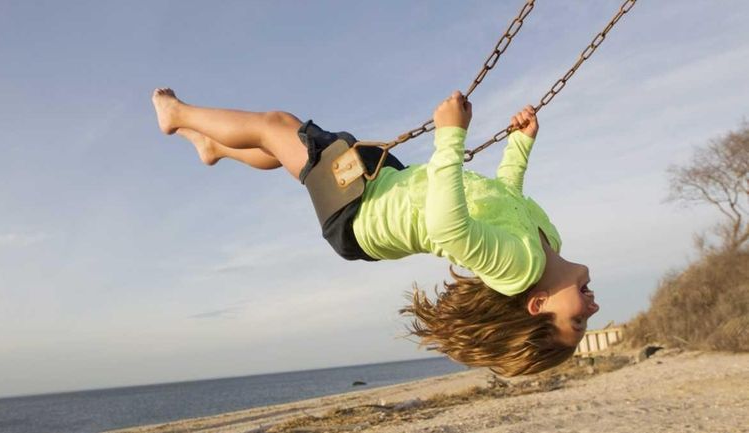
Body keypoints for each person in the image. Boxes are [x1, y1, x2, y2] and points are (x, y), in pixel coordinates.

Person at [152, 88, 599, 376]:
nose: (592, 308)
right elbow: (507, 199)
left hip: (363, 214)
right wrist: (520, 144)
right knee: (290, 148)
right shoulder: (546, 242)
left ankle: (176, 115)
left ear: (538, 305)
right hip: (390, 188)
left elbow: (449, 224)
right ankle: (214, 147)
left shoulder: (521, 268)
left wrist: (450, 137)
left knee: (276, 126)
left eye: (577, 319)